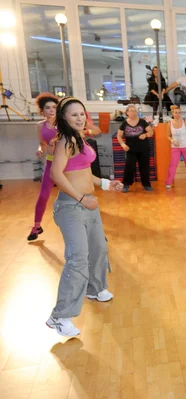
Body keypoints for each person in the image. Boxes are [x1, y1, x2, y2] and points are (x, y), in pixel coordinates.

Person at [46, 96, 123, 337]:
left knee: (99, 248)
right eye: (73, 115)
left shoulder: (81, 138)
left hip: (89, 205)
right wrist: (81, 199)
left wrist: (106, 184)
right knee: (78, 259)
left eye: (82, 113)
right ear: (64, 118)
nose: (79, 118)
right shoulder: (65, 141)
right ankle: (59, 317)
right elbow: (57, 175)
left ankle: (95, 288)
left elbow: (84, 173)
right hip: (71, 207)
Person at [28, 93, 59, 241]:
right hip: (51, 162)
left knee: (77, 193)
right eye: (48, 108)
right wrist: (40, 149)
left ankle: (92, 226)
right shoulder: (40, 125)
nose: (51, 110)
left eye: (54, 107)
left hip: (67, 164)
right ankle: (36, 226)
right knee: (43, 195)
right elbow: (42, 143)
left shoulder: (65, 123)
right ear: (42, 111)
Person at [116, 105, 155, 193]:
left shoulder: (142, 122)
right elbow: (119, 135)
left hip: (144, 148)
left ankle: (146, 185)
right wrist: (123, 145)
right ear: (127, 113)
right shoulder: (124, 123)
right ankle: (126, 184)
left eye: (135, 111)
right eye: (131, 111)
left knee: (144, 166)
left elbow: (151, 132)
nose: (134, 113)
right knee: (129, 166)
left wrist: (145, 135)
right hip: (130, 149)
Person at [165, 105, 186, 189]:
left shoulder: (185, 123)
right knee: (173, 165)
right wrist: (172, 141)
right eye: (176, 113)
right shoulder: (169, 124)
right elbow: (168, 136)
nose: (178, 114)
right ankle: (169, 182)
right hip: (175, 147)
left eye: (179, 113)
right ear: (173, 113)